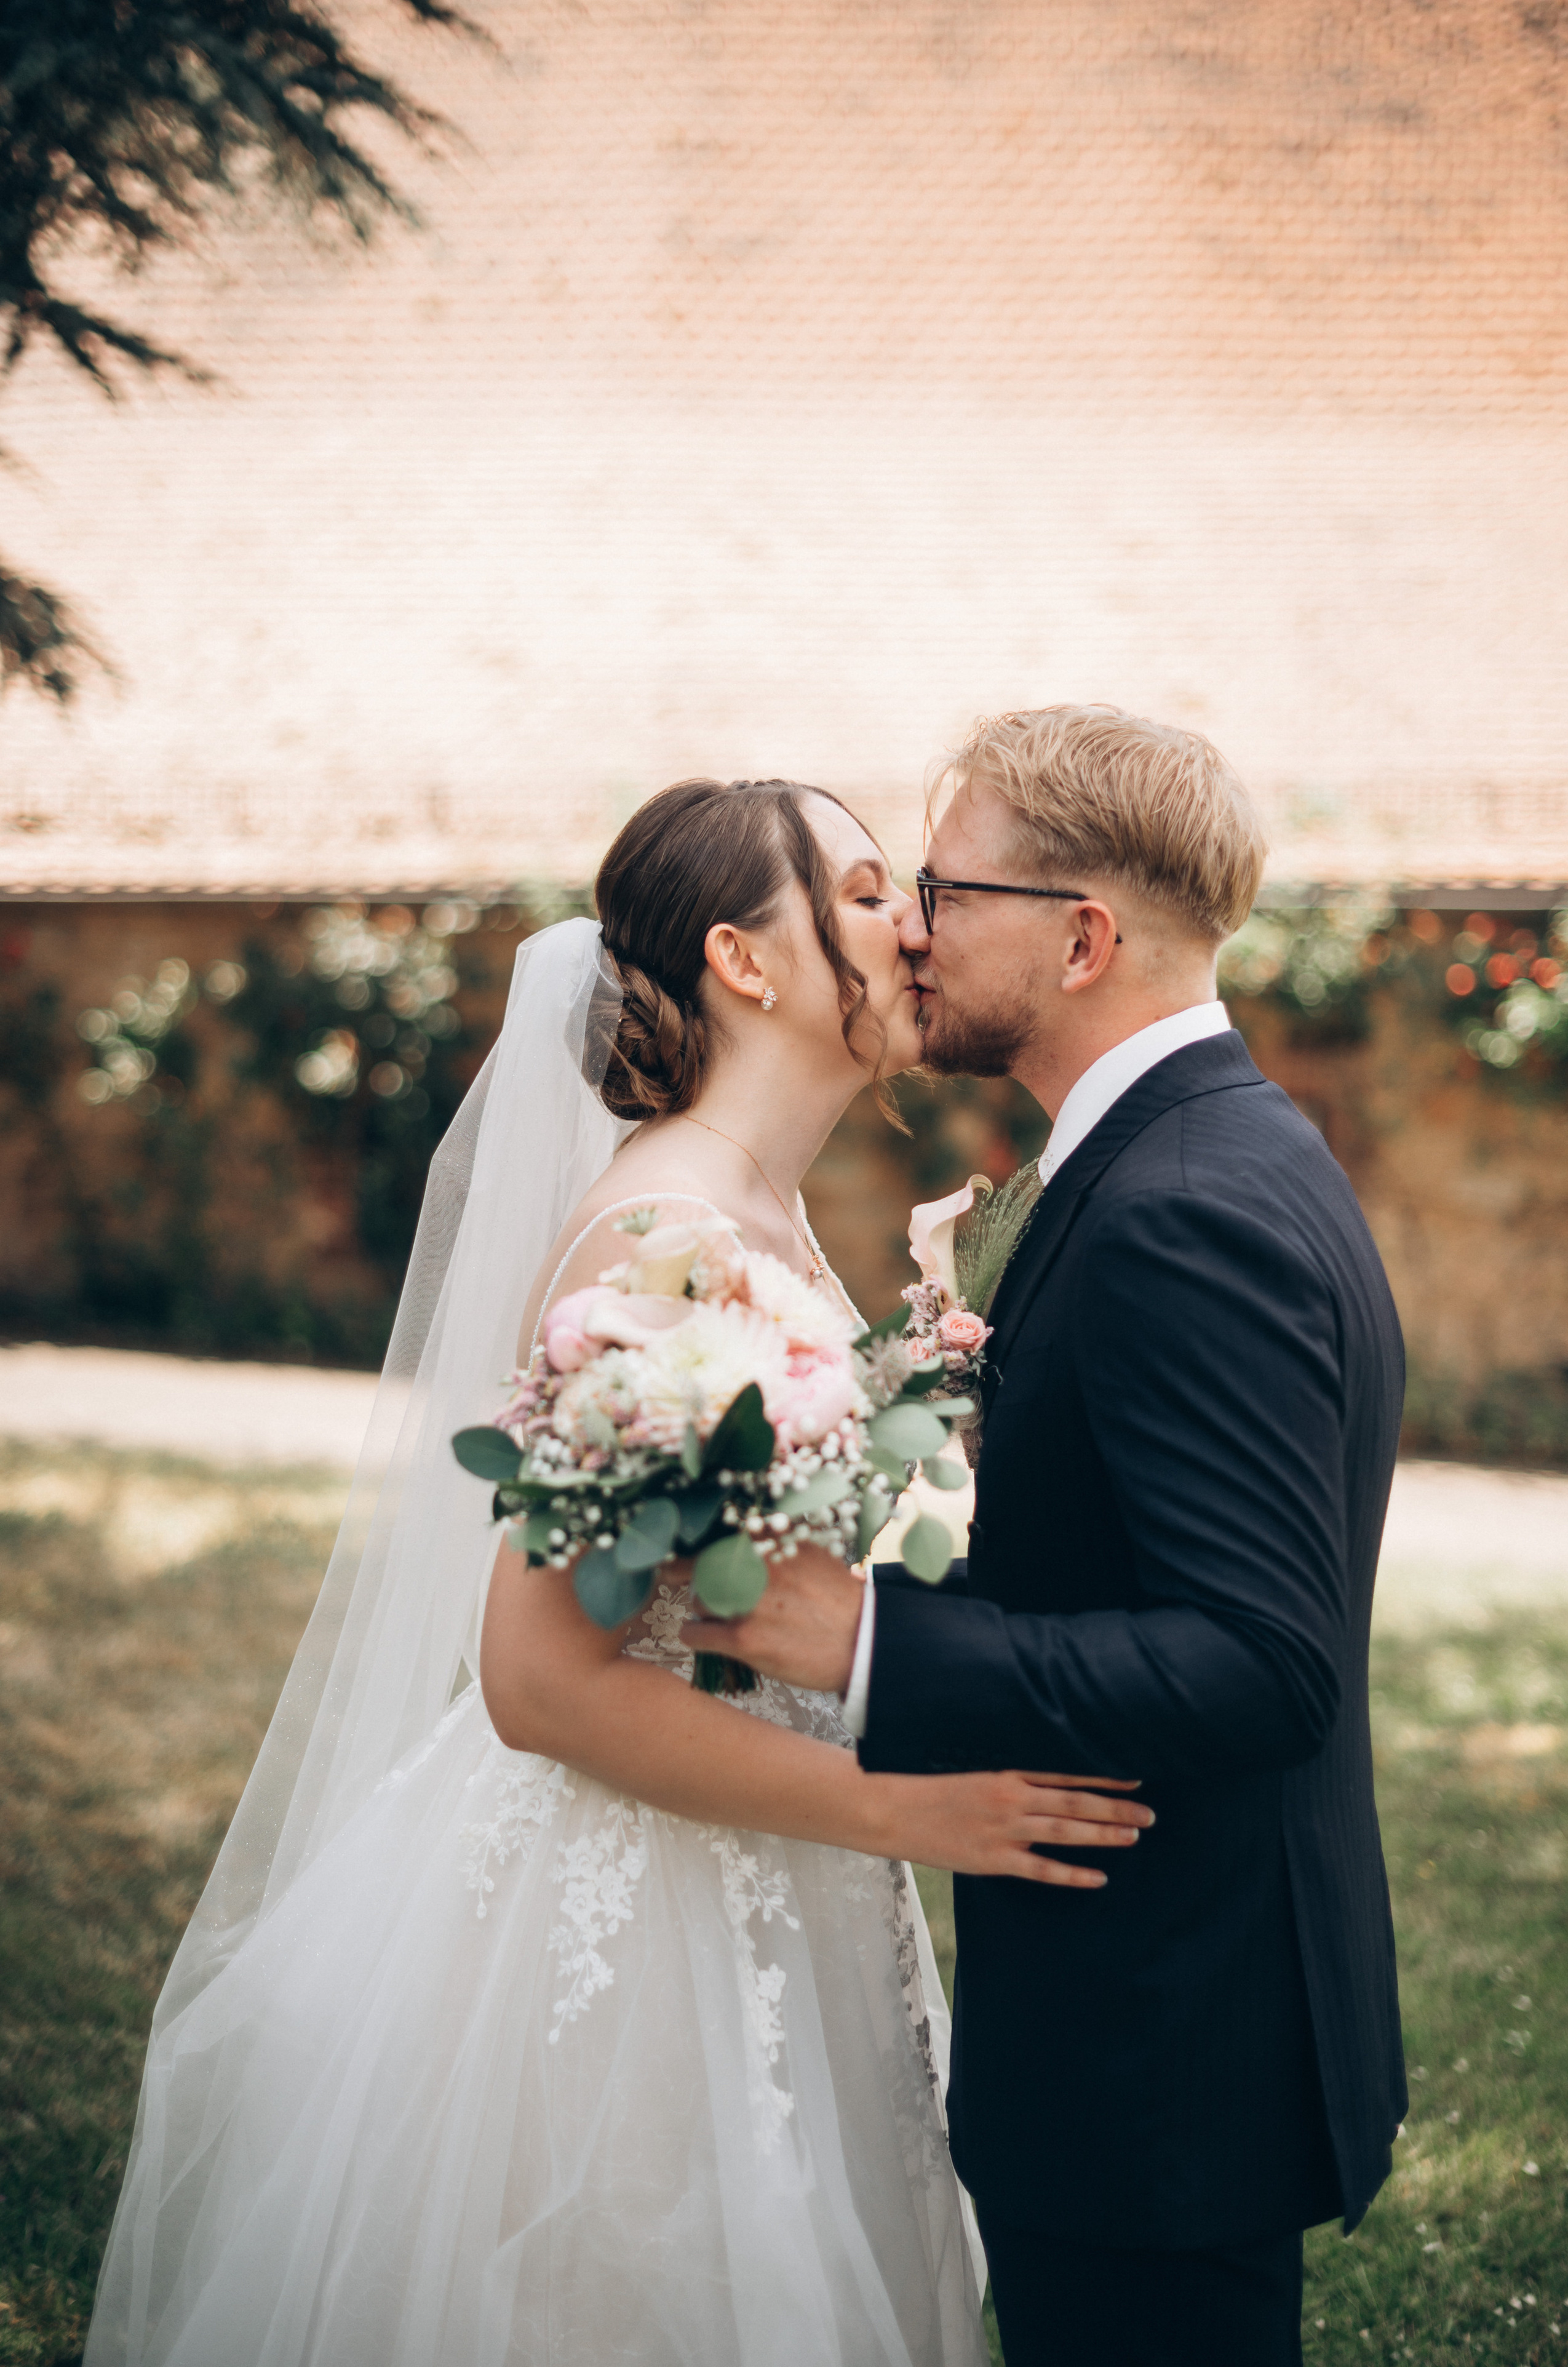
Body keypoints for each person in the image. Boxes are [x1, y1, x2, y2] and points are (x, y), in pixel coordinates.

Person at [86, 775, 1150, 2367]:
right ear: (746, 960)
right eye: (866, 893)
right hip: (641, 1901)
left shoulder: (754, 1214)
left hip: (780, 1854)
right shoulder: (662, 1241)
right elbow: (534, 1679)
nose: (916, 924)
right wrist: (901, 1812)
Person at [691, 710, 1410, 2367]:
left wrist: (863, 1643)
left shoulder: (1180, 1207)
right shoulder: (1214, 1149)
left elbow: (1264, 1659)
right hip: (1178, 2012)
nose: (914, 928)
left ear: (1083, 937)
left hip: (1163, 2047)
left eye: (948, 887)